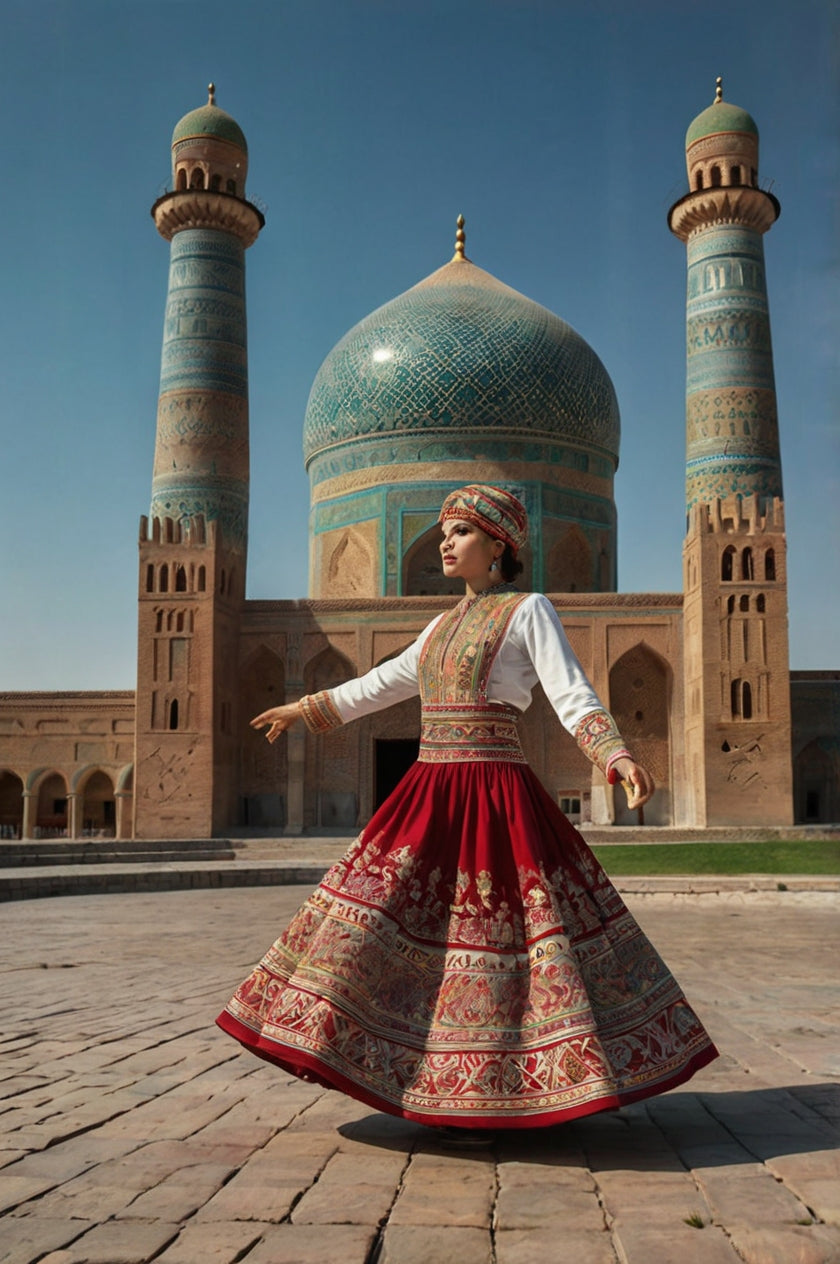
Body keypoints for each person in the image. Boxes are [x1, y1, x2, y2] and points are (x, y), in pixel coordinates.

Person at [217, 484, 717, 1133]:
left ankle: (506, 1086)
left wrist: (613, 754)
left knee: (500, 942)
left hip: (495, 796)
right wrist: (305, 709)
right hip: (431, 795)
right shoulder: (442, 625)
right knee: (390, 932)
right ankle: (429, 1078)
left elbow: (571, 691)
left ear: (498, 544)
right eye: (444, 532)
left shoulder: (528, 611)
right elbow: (381, 685)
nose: (445, 543)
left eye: (460, 533)